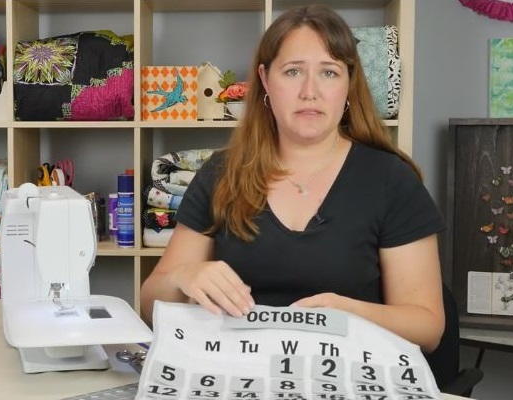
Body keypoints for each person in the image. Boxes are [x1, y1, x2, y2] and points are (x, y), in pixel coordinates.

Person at [141, 5, 445, 354]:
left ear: (349, 84)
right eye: (293, 71)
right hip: (239, 372)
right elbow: (151, 304)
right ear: (266, 79)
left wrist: (347, 314)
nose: (310, 91)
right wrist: (184, 277)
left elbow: (427, 327)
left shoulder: (392, 180)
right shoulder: (221, 173)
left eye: (329, 73)